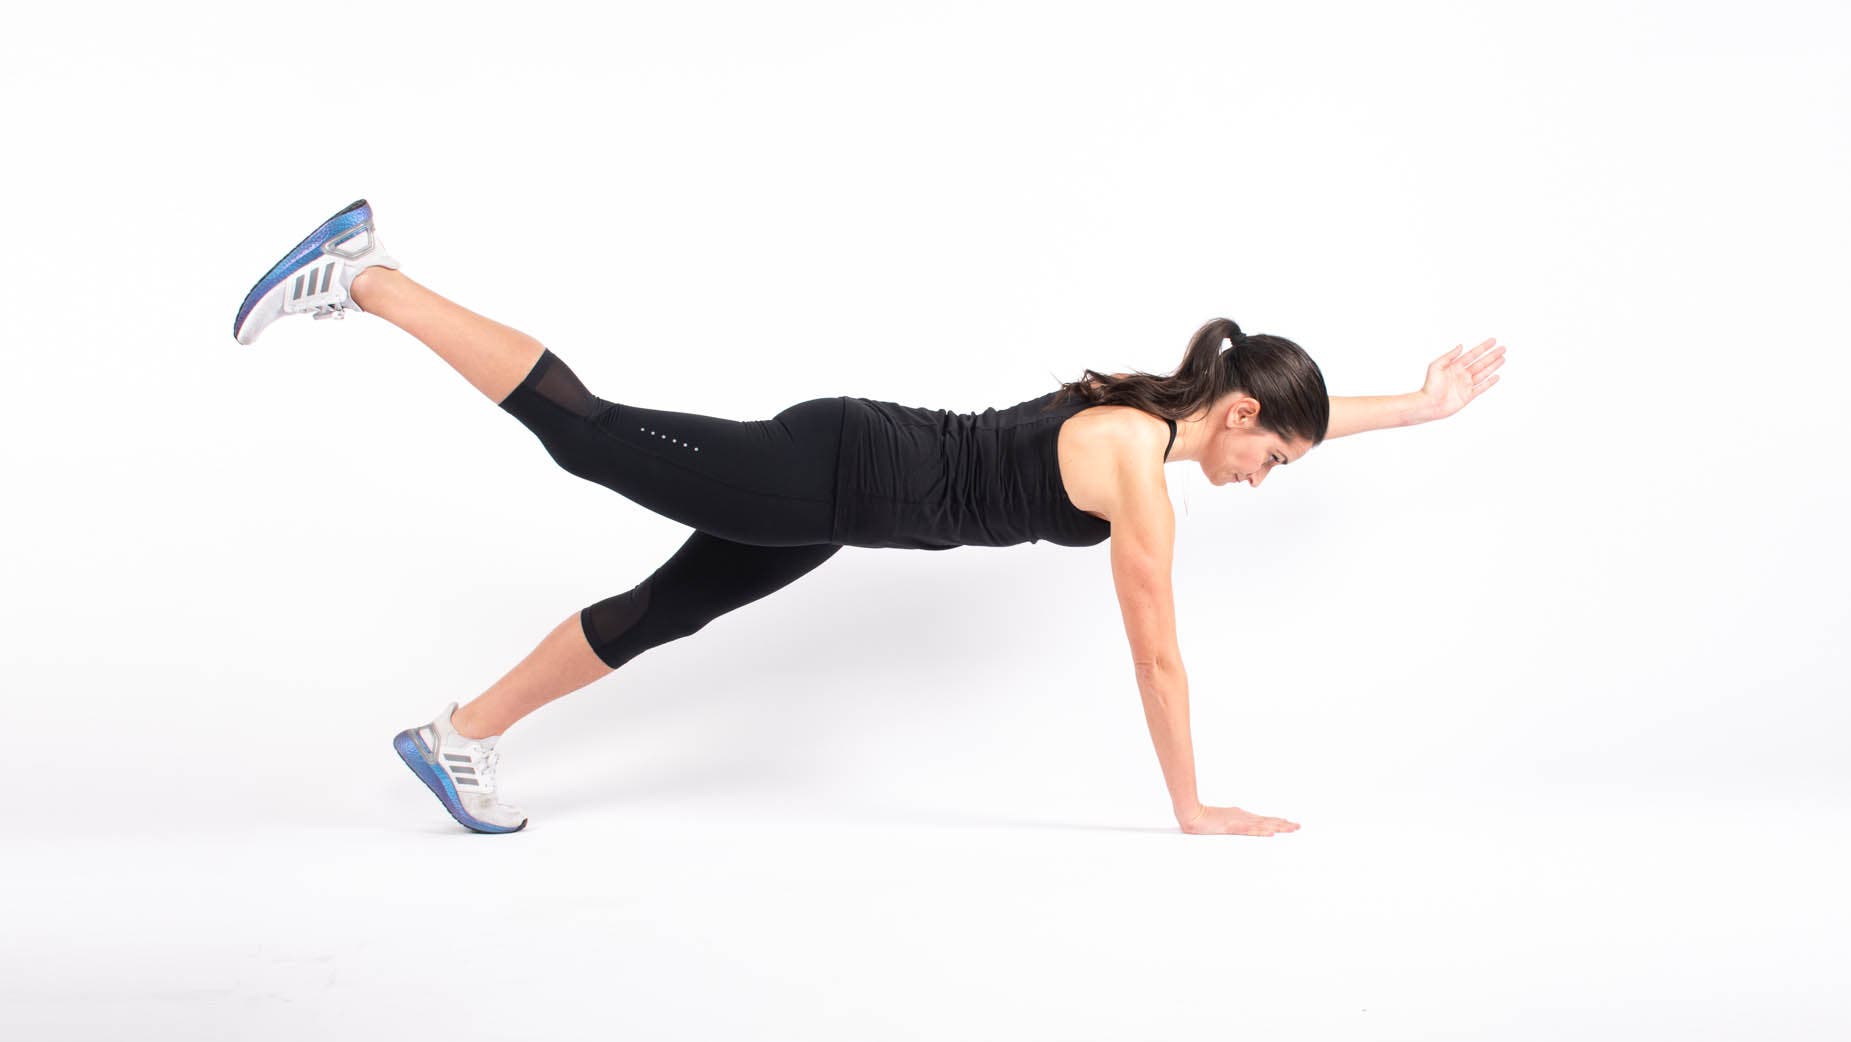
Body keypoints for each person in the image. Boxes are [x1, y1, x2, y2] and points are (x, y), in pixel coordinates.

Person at [233, 200, 1506, 837]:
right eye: (1272, 455)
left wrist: (1425, 408)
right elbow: (1160, 652)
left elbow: (1306, 414)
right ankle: (370, 275)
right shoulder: (1136, 469)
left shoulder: (1167, 412)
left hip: (840, 494)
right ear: (1233, 414)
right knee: (591, 431)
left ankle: (461, 737)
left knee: (664, 611)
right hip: (833, 472)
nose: (1268, 475)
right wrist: (1193, 805)